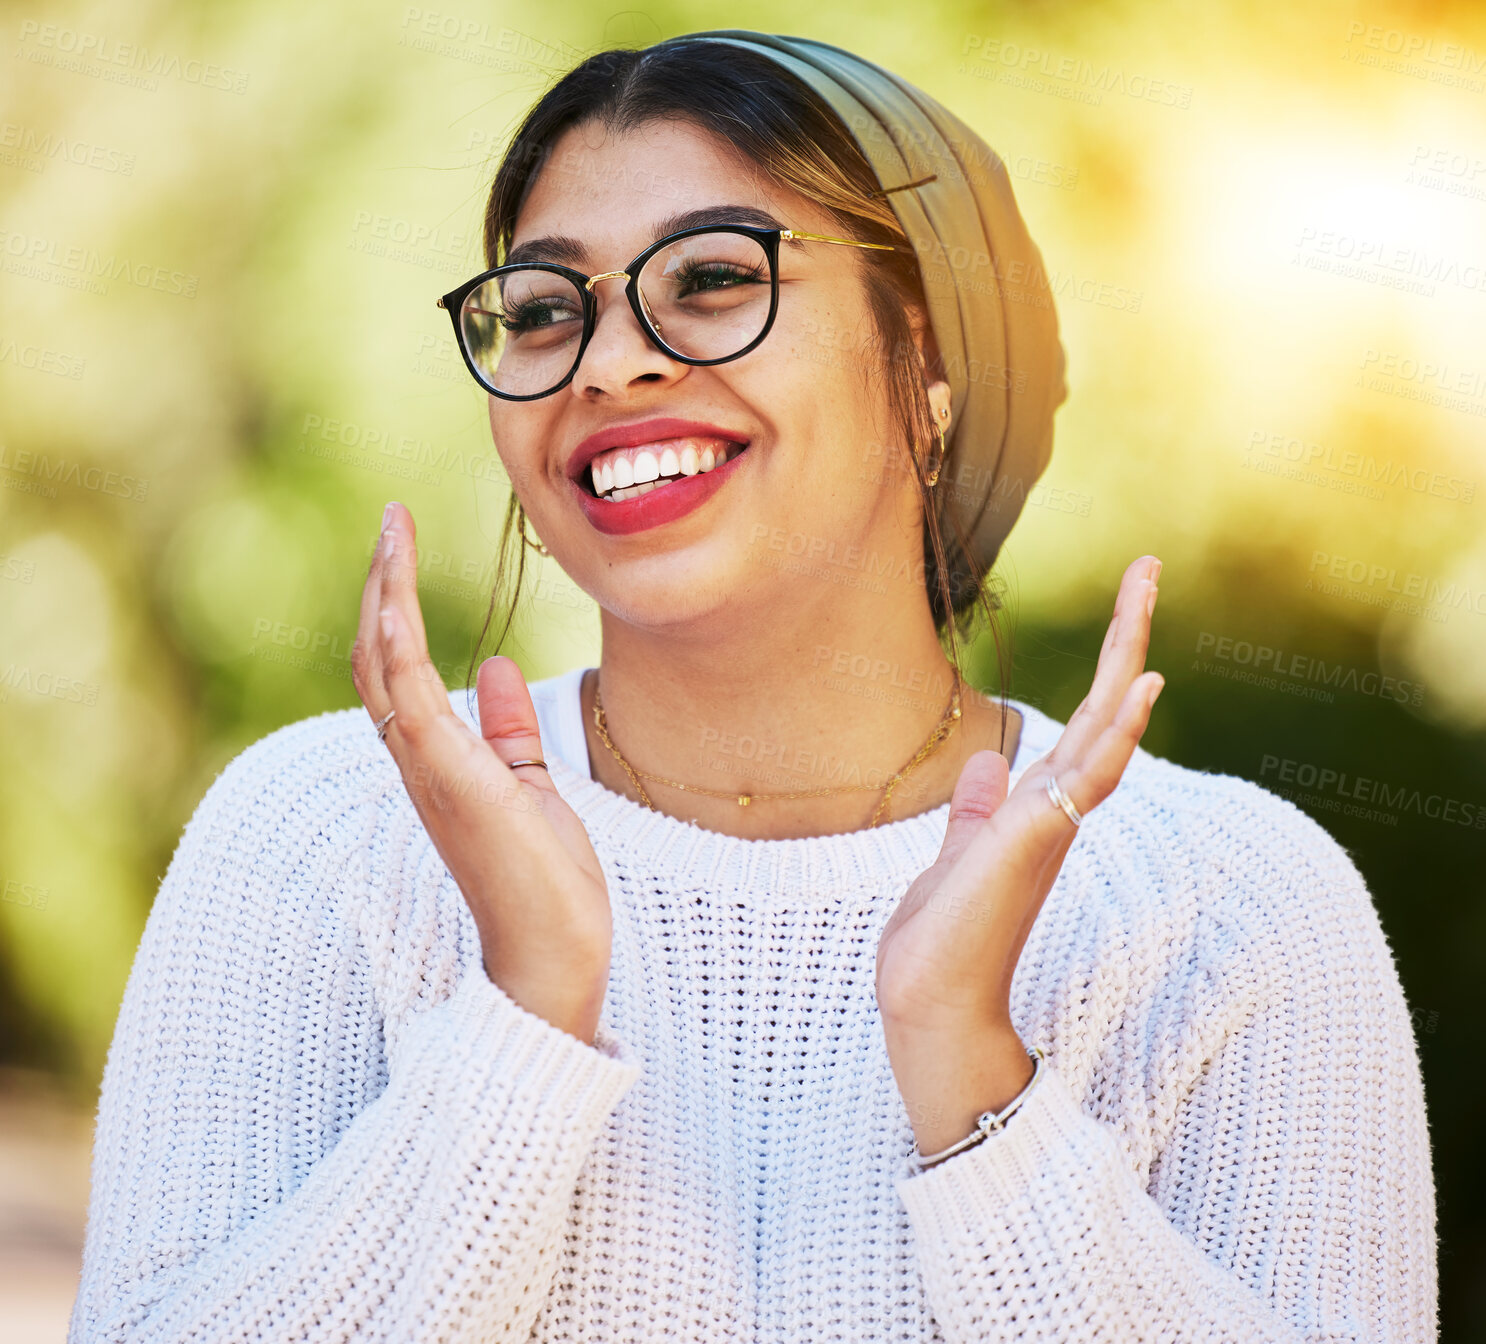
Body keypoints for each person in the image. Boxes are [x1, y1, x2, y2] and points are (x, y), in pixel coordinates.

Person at [68, 31, 1437, 1344]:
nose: (608, 362)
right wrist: (523, 1018)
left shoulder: (1232, 906)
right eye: (544, 310)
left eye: (714, 280)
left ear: (934, 355)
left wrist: (977, 1087)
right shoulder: (319, 836)